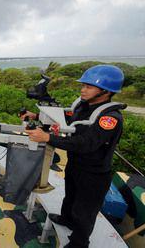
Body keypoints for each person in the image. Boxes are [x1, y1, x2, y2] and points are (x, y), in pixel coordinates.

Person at [22, 65, 125, 248]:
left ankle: (79, 242)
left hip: (94, 172)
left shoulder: (109, 118)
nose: (83, 90)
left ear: (106, 91)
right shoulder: (85, 106)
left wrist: (48, 138)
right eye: (83, 85)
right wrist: (36, 115)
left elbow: (86, 143)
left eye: (89, 86)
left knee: (84, 211)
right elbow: (67, 120)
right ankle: (66, 219)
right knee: (70, 197)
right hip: (76, 163)